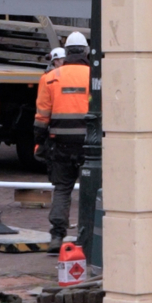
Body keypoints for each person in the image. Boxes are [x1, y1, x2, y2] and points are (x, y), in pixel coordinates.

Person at [35, 30, 94, 245]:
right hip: (90, 144)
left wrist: (40, 143)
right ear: (86, 51)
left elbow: (41, 117)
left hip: (59, 143)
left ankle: (57, 236)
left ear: (66, 52)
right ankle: (88, 237)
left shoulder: (50, 79)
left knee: (62, 189)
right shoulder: (94, 76)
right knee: (91, 189)